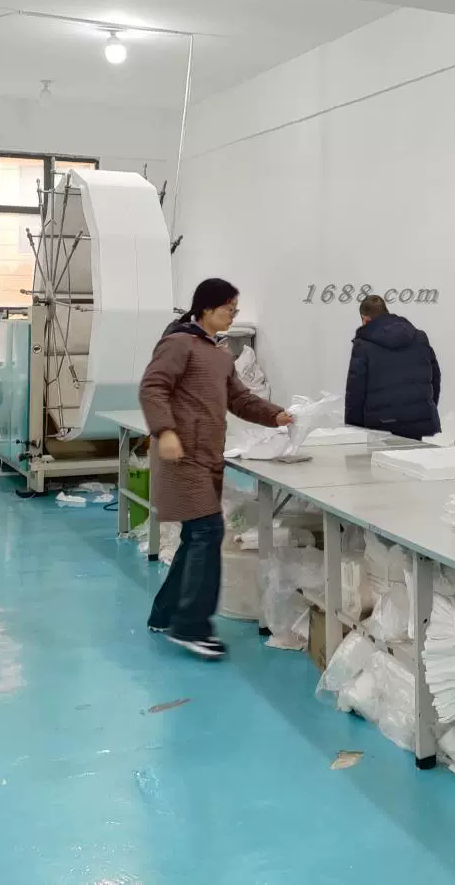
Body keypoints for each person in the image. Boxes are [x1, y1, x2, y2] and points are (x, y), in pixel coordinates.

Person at [140, 278, 291, 659]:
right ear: (206, 308)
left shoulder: (220, 353)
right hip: (181, 455)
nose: (233, 315)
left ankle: (164, 613)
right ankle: (191, 627)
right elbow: (153, 387)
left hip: (208, 456)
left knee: (197, 535)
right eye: (229, 309)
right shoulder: (178, 343)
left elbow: (239, 399)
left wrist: (277, 415)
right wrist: (164, 431)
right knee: (208, 531)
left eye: (236, 310)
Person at [344, 295, 441, 440]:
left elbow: (356, 391)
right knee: (412, 455)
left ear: (365, 319)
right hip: (415, 423)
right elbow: (435, 378)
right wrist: (425, 410)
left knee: (380, 456)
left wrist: (353, 428)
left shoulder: (363, 345)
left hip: (379, 426)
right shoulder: (420, 337)